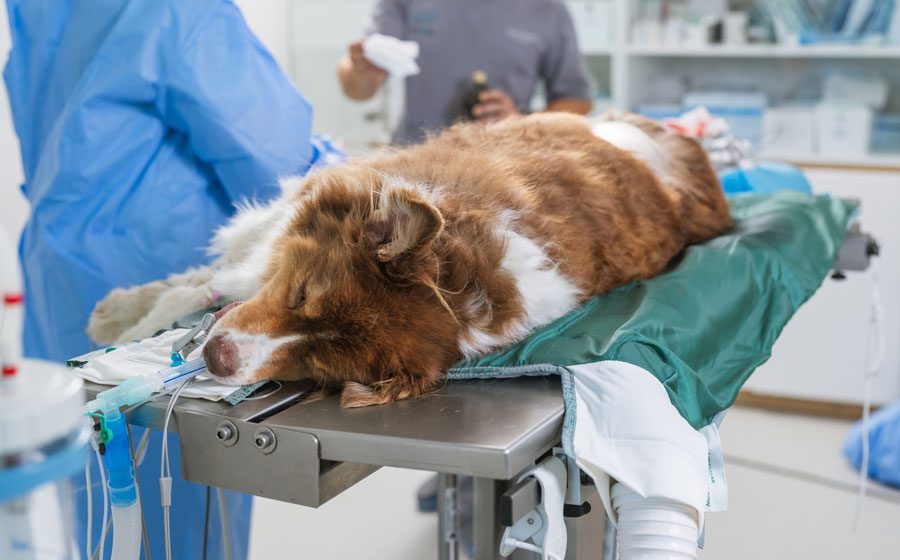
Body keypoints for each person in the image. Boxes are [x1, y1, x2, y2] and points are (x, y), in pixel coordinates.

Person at [4, 0, 338, 558]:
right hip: (157, 274)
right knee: (176, 498)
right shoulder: (179, 9)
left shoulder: (34, 11)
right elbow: (273, 159)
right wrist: (341, 168)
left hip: (60, 273)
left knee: (102, 497)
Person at [338, 0, 593, 144]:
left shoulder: (548, 10)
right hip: (414, 159)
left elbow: (577, 101)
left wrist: (521, 123)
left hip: (505, 167)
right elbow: (357, 91)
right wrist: (360, 71)